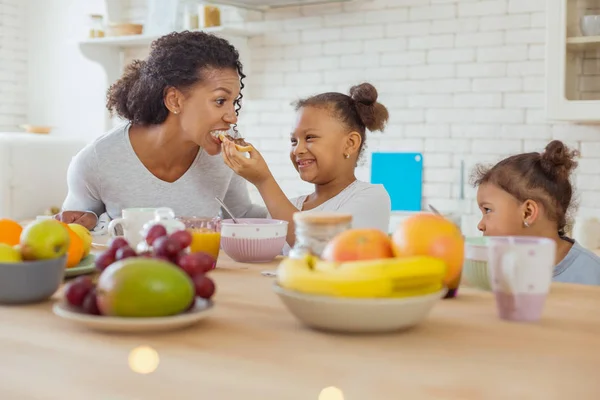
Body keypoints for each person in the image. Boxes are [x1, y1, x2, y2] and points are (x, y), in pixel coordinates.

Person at [56, 31, 266, 230]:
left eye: (234, 101)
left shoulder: (226, 153)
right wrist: (91, 220)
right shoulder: (97, 161)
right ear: (174, 100)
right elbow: (76, 235)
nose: (232, 117)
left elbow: (241, 216)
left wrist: (296, 212)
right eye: (220, 101)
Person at [221, 82, 392, 247]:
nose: (297, 150)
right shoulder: (292, 206)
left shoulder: (372, 197)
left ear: (350, 143)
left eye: (310, 137)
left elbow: (315, 247)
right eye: (294, 141)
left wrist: (263, 180)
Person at [472, 140, 600, 286]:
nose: (480, 225)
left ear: (528, 212)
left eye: (487, 210)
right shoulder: (495, 269)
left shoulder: (593, 275)